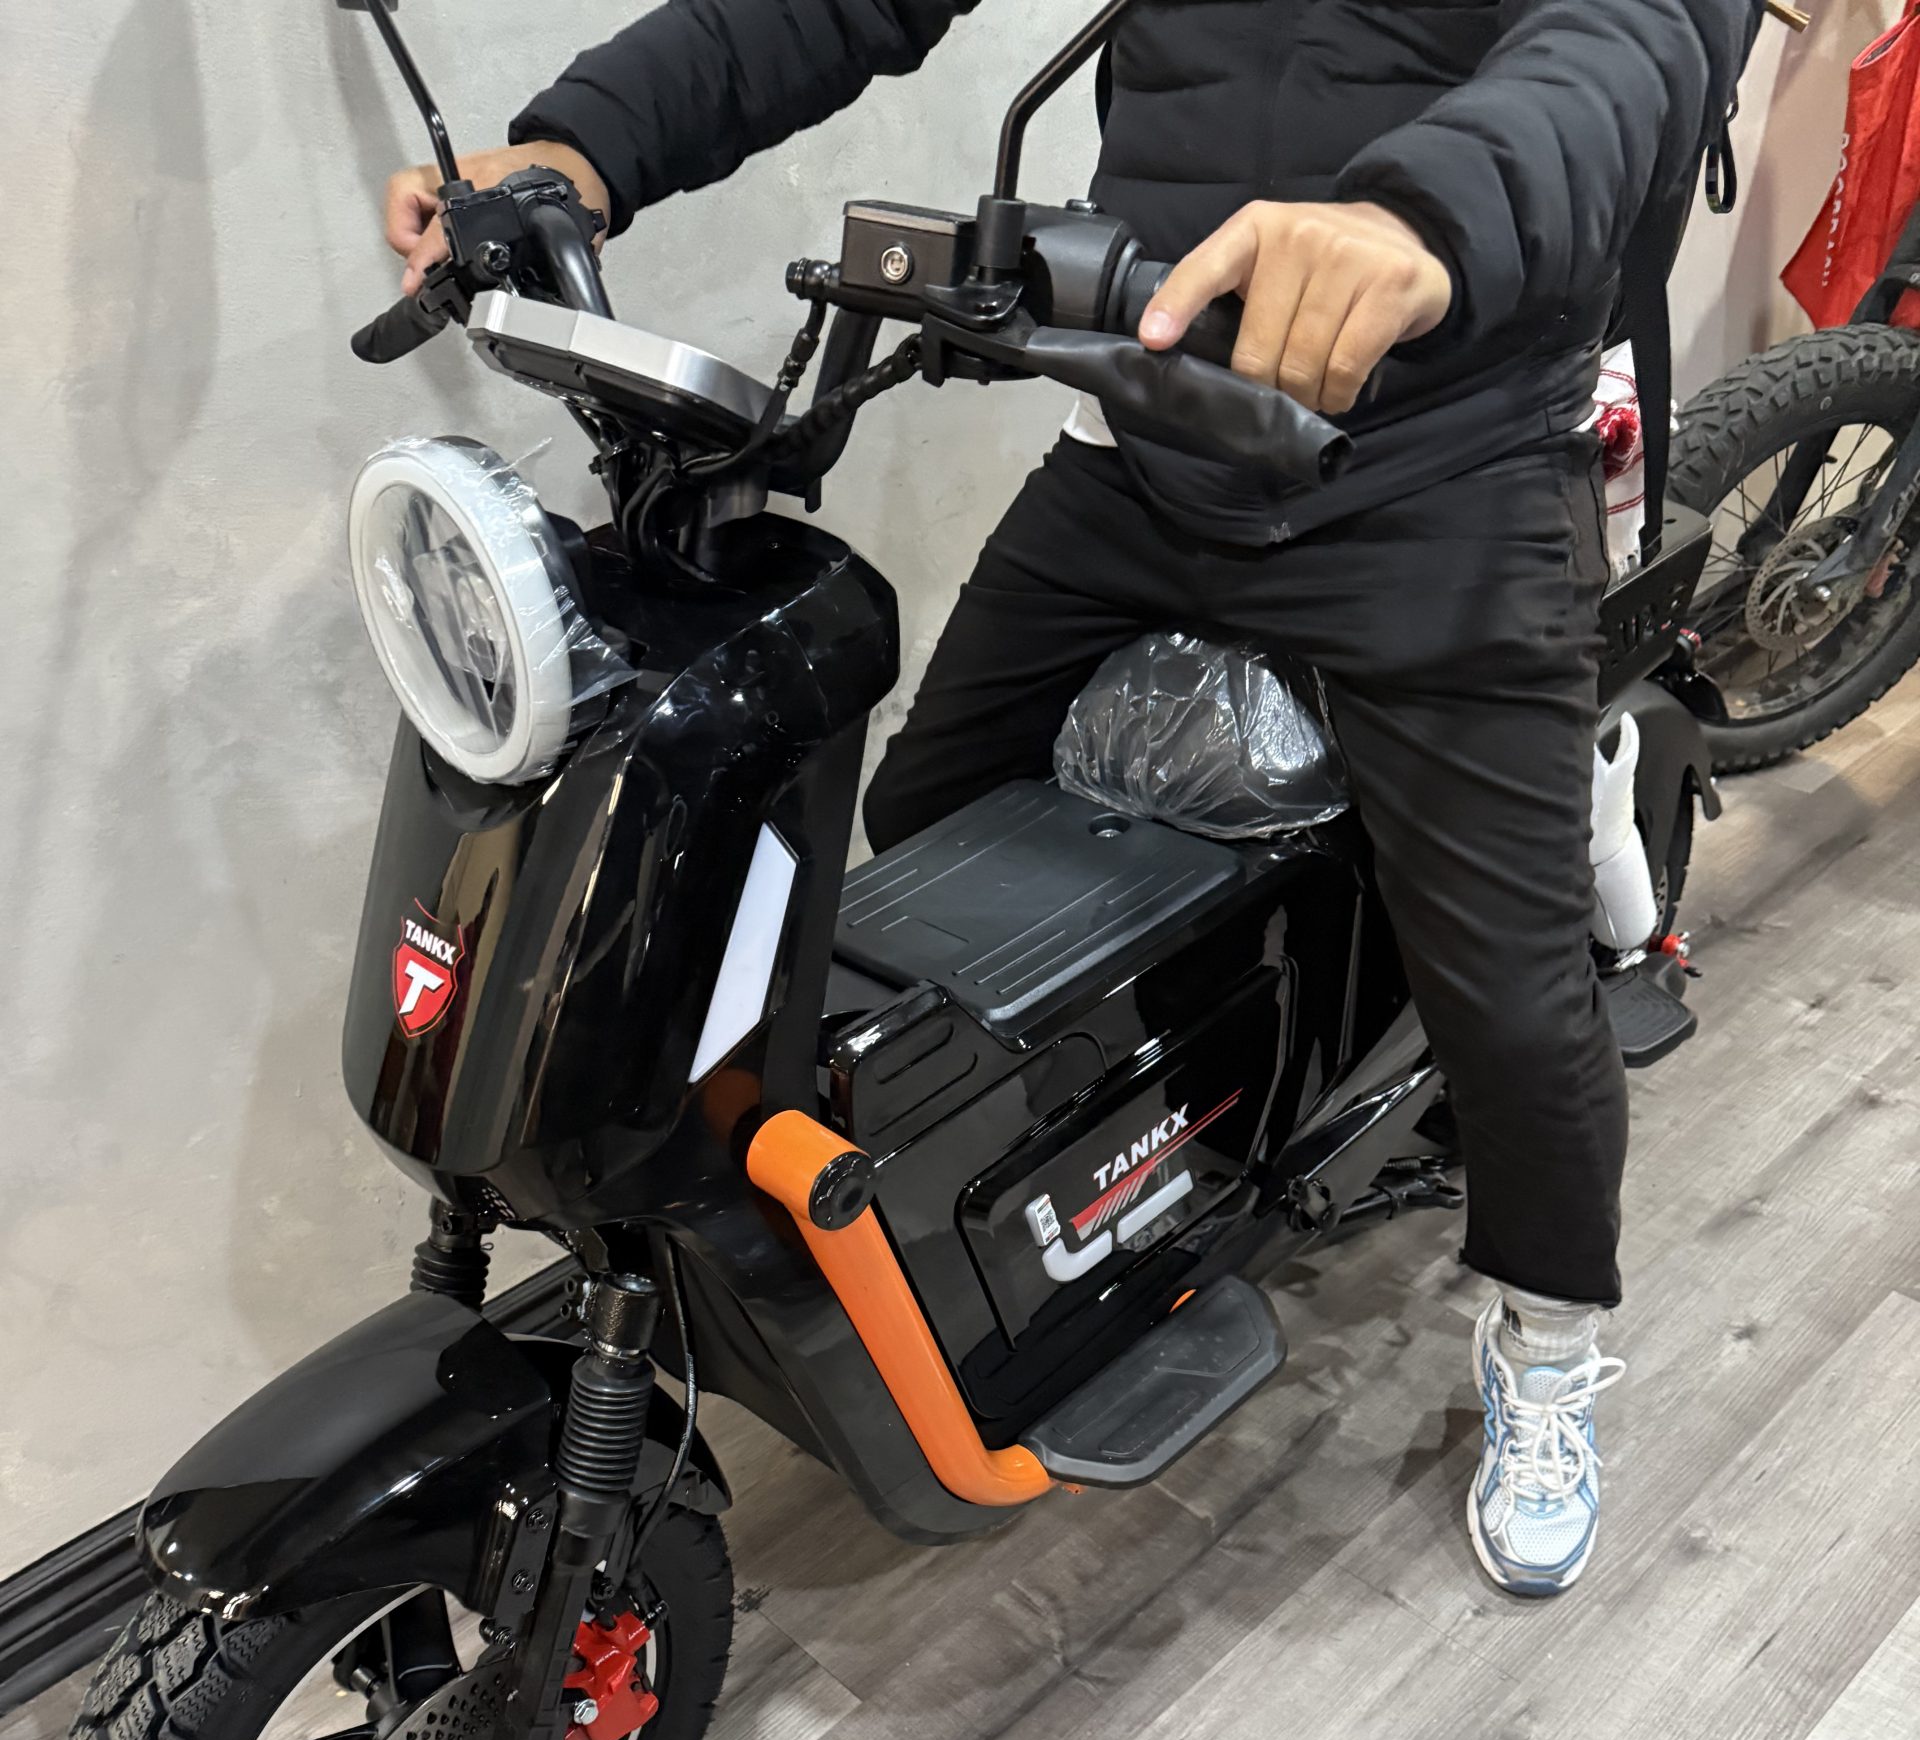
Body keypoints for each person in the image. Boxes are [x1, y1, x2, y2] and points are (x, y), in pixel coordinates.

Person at [385, 0, 1760, 1597]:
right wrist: (585, 144)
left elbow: (1633, 41)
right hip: (1150, 437)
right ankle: (1147, 1150)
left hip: (1436, 478)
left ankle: (1548, 1342)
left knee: (1511, 996)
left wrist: (1420, 220)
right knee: (933, 804)